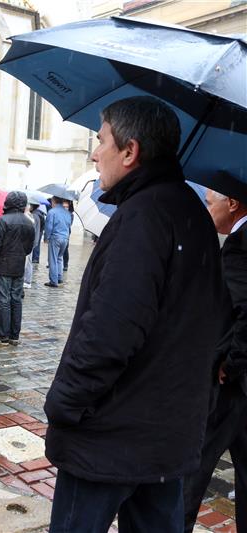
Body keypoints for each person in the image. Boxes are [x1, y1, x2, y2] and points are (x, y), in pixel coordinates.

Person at [44, 96, 224, 532]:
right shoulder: (193, 215)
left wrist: (64, 404)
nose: (94, 151)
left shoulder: (143, 216)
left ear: (130, 151)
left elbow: (110, 332)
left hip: (110, 437)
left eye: (101, 139)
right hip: (166, 437)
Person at [183, 176, 247, 532]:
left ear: (233, 204)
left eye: (211, 203)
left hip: (231, 390)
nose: (209, 210)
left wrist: (231, 363)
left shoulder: (239, 245)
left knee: (194, 469)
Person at [0, 192, 34, 346]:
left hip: (3, 265)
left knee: (4, 300)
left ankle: (2, 334)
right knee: (16, 300)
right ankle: (14, 335)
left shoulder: (3, 221)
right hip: (18, 265)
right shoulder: (29, 222)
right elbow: (28, 248)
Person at [43, 196, 71, 287]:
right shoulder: (68, 213)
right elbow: (69, 226)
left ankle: (53, 281)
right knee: (60, 258)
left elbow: (49, 226)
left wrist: (46, 238)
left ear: (53, 201)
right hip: (65, 238)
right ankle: (59, 278)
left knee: (53, 259)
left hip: (55, 237)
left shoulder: (52, 212)